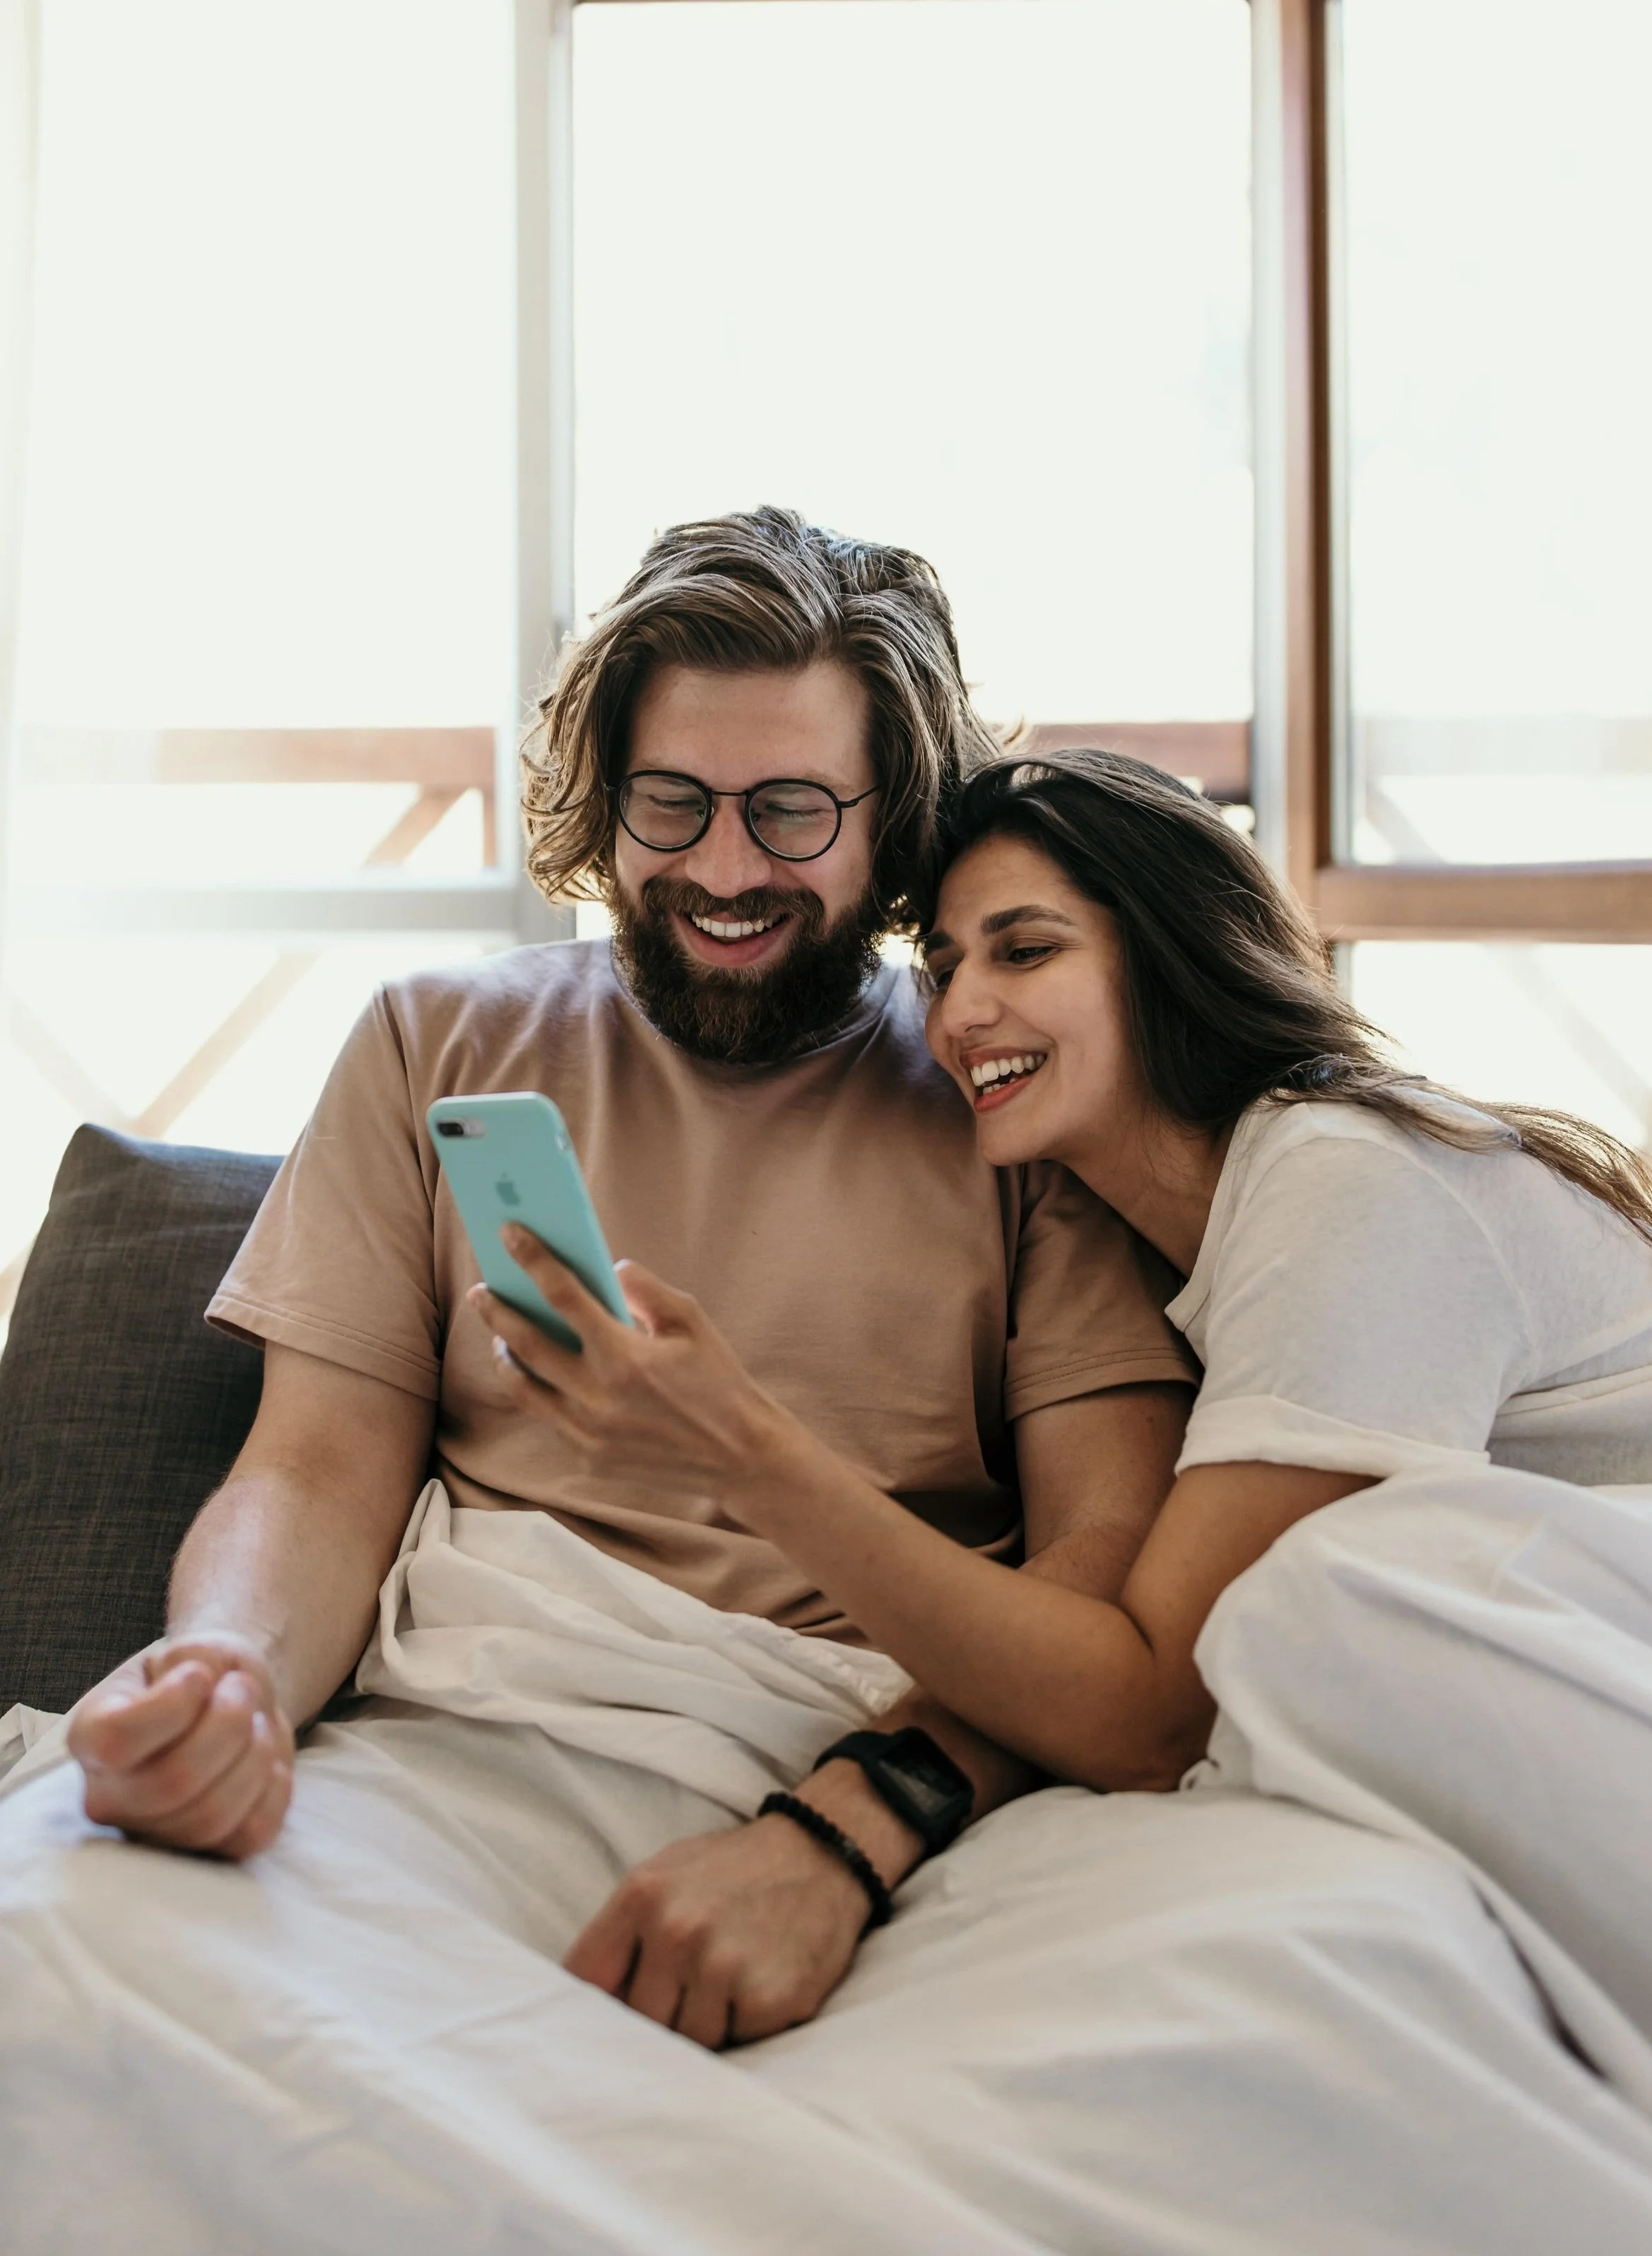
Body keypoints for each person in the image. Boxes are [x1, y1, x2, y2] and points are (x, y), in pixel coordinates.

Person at [478, 747, 1652, 2163]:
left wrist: (743, 1447)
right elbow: (1116, 1646)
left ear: (1164, 958)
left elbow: (1149, 1707)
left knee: (1324, 1597)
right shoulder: (1168, 1260)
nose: (961, 1013)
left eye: (1024, 950)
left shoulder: (1342, 1176)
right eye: (944, 961)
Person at [41, 516, 1191, 2041]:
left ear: (890, 815)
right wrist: (231, 1671)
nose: (722, 870)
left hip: (870, 1749)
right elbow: (314, 1472)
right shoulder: (433, 1041)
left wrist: (845, 1836)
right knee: (59, 1969)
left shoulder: (1012, 1090)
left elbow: (1094, 1585)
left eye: (789, 812)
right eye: (673, 803)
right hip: (461, 1735)